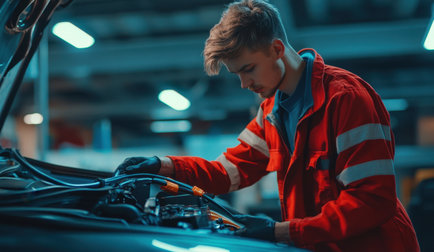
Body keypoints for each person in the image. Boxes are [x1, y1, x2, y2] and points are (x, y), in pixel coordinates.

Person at [117, 0, 420, 251]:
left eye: (248, 69)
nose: (244, 84)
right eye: (237, 74)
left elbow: (371, 202)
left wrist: (280, 231)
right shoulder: (271, 113)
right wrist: (162, 166)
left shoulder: (345, 99)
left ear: (277, 49)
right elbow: (227, 172)